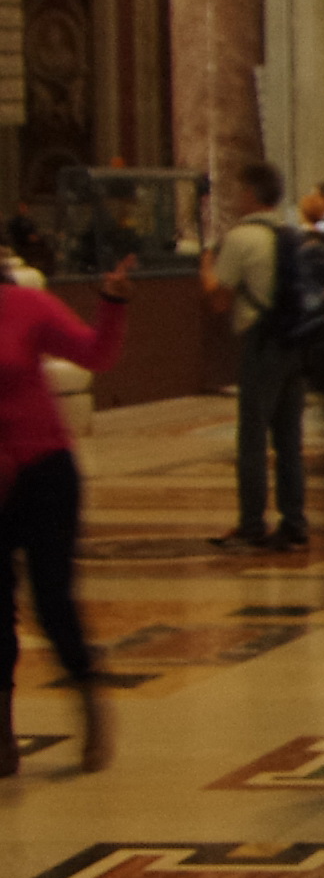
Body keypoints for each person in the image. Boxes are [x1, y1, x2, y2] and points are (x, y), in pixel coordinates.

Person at [0, 249, 131, 773]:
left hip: (44, 473)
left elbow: (95, 354)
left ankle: (88, 692)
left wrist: (113, 304)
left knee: (52, 600)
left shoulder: (26, 305)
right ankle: (2, 731)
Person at [202, 159, 317, 554]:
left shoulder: (241, 237)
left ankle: (252, 523)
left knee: (252, 437)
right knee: (289, 439)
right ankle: (294, 522)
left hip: (262, 343)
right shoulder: (291, 235)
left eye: (239, 190)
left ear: (251, 193)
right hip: (295, 343)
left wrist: (206, 270)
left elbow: (219, 301)